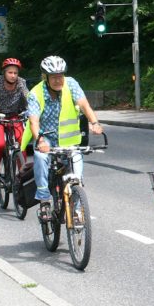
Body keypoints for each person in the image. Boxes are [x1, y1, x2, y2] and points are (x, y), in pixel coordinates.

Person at [22, 56, 103, 215]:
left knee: (76, 172)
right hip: (46, 140)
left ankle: (77, 207)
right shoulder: (36, 93)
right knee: (40, 157)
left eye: (60, 76)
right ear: (45, 77)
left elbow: (84, 105)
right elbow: (34, 122)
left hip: (69, 141)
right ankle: (44, 198)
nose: (58, 80)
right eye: (54, 77)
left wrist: (95, 123)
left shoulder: (71, 84)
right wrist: (40, 140)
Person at [0, 58, 29, 190]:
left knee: (22, 141)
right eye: (10, 72)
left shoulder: (21, 83)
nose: (13, 75)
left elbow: (29, 98)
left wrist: (34, 112)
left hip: (14, 116)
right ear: (4, 73)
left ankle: (22, 173)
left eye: (15, 73)